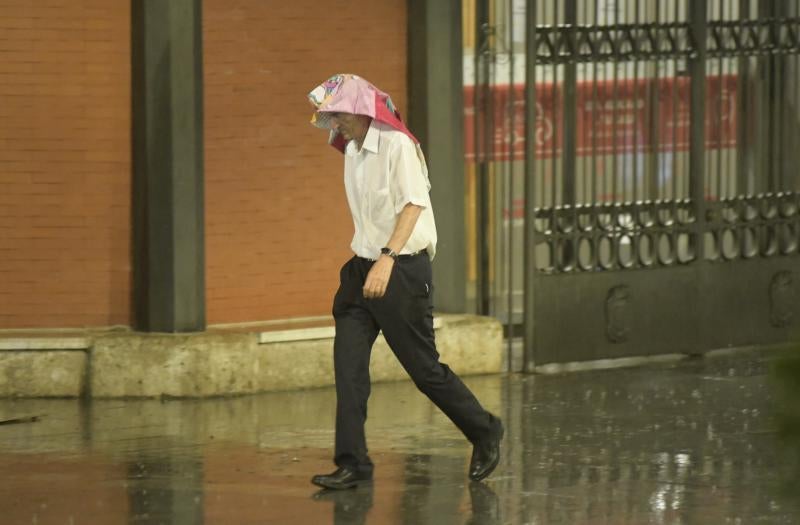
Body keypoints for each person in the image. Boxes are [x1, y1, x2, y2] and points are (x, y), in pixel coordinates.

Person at [307, 74, 503, 490]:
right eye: (329, 116)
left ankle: (484, 429)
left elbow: (414, 205)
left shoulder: (398, 145)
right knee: (349, 369)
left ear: (360, 110)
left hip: (400, 268)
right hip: (361, 270)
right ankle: (353, 463)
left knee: (424, 371)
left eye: (337, 114)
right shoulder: (353, 151)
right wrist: (370, 262)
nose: (334, 124)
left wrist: (387, 259)